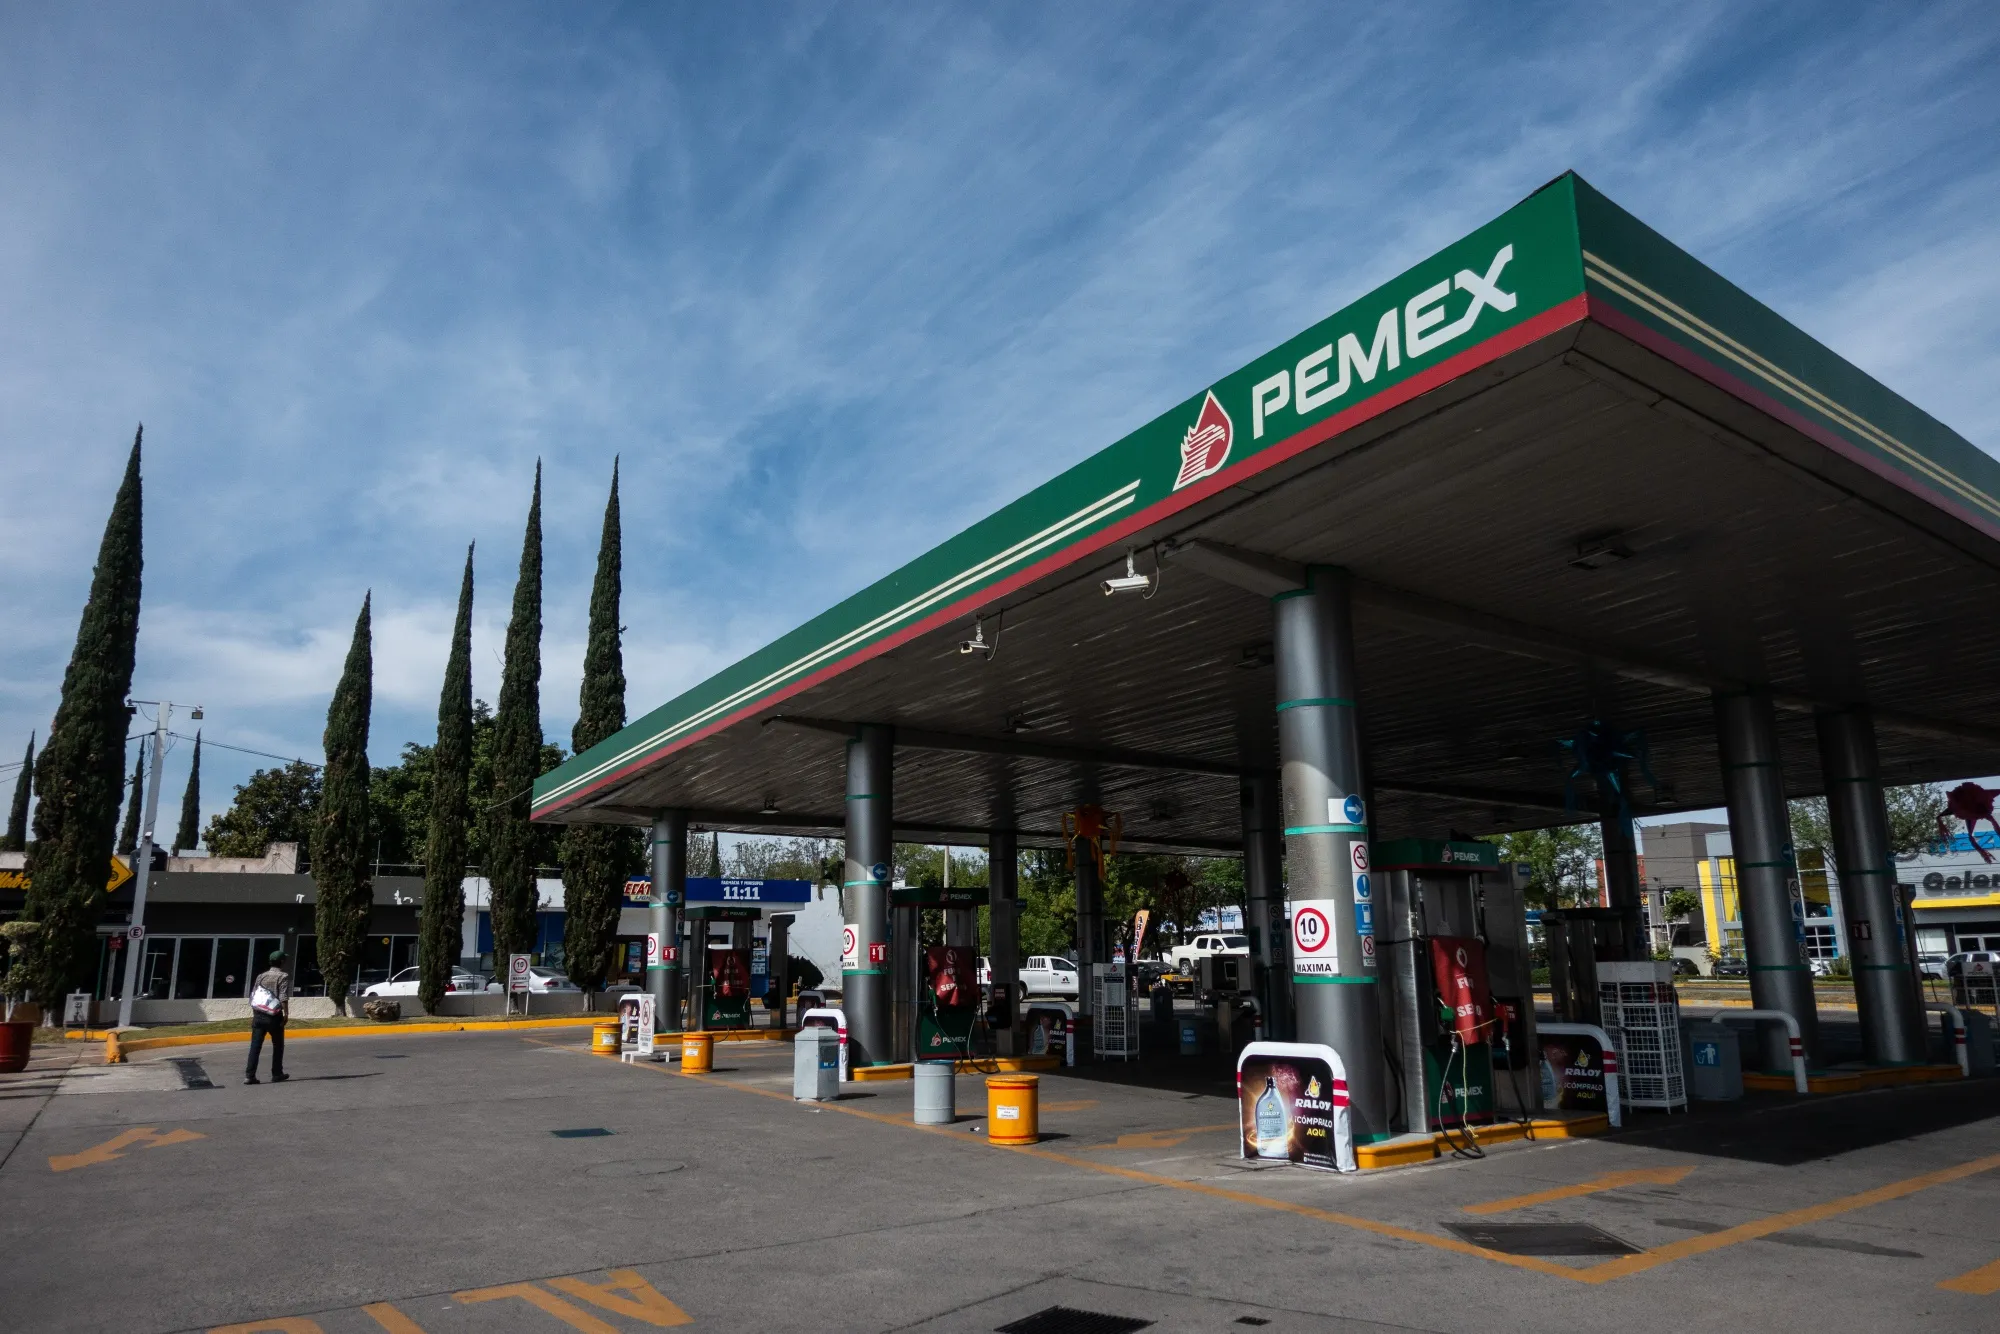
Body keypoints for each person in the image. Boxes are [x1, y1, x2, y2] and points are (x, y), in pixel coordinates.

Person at [246, 948, 291, 1085]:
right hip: (274, 1016)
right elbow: (283, 996)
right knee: (278, 1045)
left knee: (255, 1046)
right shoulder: (283, 976)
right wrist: (286, 1013)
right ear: (282, 962)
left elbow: (254, 994)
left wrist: (256, 1013)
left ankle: (249, 1075)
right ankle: (277, 1073)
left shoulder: (261, 976)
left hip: (259, 1015)